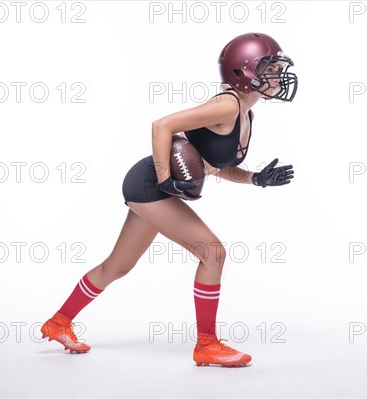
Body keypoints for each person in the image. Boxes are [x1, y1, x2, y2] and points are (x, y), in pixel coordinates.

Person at [40, 32, 298, 367]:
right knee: (213, 253)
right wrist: (164, 178)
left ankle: (58, 322)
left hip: (153, 186)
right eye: (270, 67)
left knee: (117, 266)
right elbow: (162, 126)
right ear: (244, 72)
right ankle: (206, 344)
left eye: (277, 67)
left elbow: (214, 167)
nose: (278, 74)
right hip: (149, 182)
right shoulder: (227, 105)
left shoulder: (247, 113)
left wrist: (255, 179)